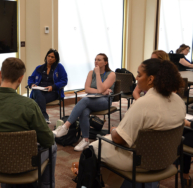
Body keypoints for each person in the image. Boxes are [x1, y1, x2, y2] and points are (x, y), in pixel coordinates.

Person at [93, 59, 185, 187]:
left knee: (93, 148)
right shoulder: (178, 101)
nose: (136, 78)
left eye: (139, 74)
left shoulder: (143, 103)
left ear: (151, 79)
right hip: (167, 158)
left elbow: (120, 139)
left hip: (141, 162)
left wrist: (113, 130)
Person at [0, 57, 57, 188]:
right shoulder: (29, 105)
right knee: (53, 146)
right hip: (23, 164)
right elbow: (47, 140)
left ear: (0, 74)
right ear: (21, 78)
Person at [53, 53, 115, 151]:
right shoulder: (91, 73)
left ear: (106, 62)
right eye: (95, 59)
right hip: (92, 98)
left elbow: (101, 87)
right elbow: (87, 89)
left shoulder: (111, 74)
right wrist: (101, 91)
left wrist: (98, 75)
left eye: (99, 60)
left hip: (104, 101)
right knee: (84, 110)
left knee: (84, 100)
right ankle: (86, 140)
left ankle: (65, 127)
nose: (96, 61)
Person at [28, 49, 68, 124]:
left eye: (52, 57)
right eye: (48, 56)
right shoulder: (39, 68)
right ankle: (44, 116)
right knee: (37, 91)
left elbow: (64, 80)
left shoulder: (59, 67)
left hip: (52, 92)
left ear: (56, 59)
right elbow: (31, 78)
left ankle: (32, 118)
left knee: (37, 101)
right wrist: (32, 84)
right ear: (46, 57)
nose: (50, 58)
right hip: (38, 91)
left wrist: (53, 86)